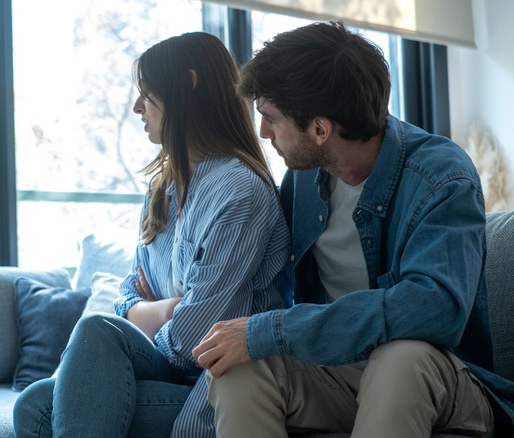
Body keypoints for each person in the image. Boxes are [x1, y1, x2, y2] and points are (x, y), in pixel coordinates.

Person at [192, 21, 514, 437]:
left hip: (437, 376)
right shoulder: (305, 178)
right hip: (339, 373)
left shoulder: (440, 176)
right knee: (238, 367)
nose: (263, 132)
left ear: (321, 129)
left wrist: (276, 329)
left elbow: (437, 309)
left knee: (398, 359)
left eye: (271, 118)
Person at [12, 31, 291, 437]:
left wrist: (152, 312)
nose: (136, 106)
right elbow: (127, 293)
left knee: (91, 341)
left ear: (188, 86)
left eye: (147, 93)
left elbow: (194, 339)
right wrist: (164, 308)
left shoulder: (239, 191)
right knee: (35, 403)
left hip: (215, 387)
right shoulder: (164, 186)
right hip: (170, 371)